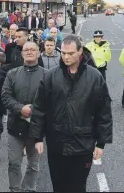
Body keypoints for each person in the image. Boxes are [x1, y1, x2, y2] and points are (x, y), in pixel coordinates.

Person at [28, 35, 112, 192]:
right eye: (63, 53)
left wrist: (101, 143)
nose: (66, 57)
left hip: (83, 144)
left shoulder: (95, 77)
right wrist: (38, 137)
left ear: (80, 51)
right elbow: (40, 107)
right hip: (56, 142)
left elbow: (104, 111)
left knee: (78, 186)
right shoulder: (51, 76)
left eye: (71, 53)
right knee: (59, 186)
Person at [2, 41, 45, 192]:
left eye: (32, 49)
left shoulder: (46, 75)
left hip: (36, 129)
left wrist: (33, 109)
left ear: (39, 53)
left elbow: (51, 100)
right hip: (15, 126)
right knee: (14, 162)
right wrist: (20, 108)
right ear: (22, 54)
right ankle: (15, 189)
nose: (29, 52)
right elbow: (5, 97)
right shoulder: (12, 74)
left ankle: (29, 189)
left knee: (33, 164)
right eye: (26, 50)